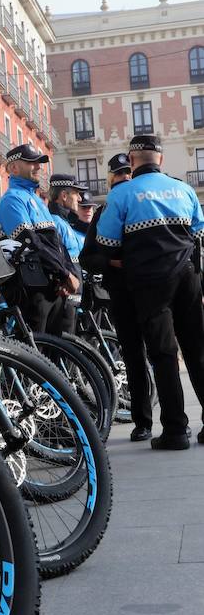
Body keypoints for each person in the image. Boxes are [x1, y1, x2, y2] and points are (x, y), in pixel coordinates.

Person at [96, 135, 204, 450]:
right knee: (197, 351)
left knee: (164, 354)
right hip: (187, 277)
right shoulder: (183, 189)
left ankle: (175, 431)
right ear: (161, 160)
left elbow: (108, 243)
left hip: (150, 281)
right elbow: (197, 231)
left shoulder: (122, 194)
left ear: (131, 161)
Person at [80, 153, 153, 441]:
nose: (123, 179)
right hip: (123, 293)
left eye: (126, 174)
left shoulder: (140, 205)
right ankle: (144, 422)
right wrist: (112, 263)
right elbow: (88, 258)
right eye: (119, 175)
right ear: (112, 178)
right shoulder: (103, 211)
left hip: (149, 288)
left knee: (154, 355)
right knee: (136, 357)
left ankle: (163, 420)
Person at [0, 145, 79, 335]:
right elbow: (31, 243)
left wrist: (65, 276)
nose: (38, 167)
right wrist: (65, 275)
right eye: (31, 162)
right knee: (34, 353)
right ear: (14, 168)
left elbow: (57, 244)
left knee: (53, 353)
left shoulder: (38, 201)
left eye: (39, 163)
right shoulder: (12, 200)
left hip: (51, 286)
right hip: (30, 287)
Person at [47, 173, 87, 333]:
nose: (80, 198)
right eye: (76, 193)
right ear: (64, 195)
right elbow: (57, 256)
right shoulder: (56, 222)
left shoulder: (64, 223)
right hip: (65, 295)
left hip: (74, 295)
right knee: (64, 349)